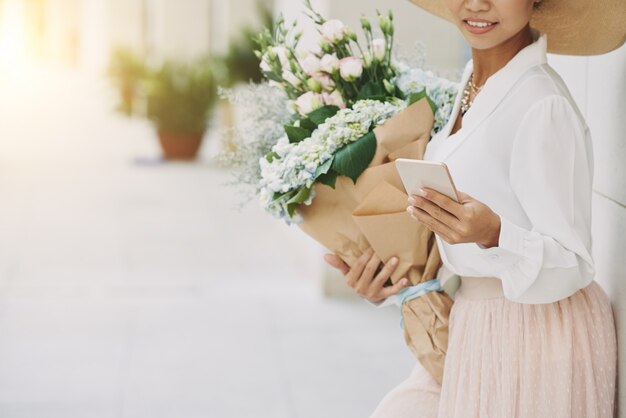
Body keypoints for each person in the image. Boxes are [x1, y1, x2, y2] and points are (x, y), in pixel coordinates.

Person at [324, 0, 625, 416]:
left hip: (536, 337)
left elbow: (573, 263)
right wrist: (392, 278)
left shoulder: (542, 104)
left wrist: (492, 234)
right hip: (477, 324)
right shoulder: (475, 84)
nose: (477, 3)